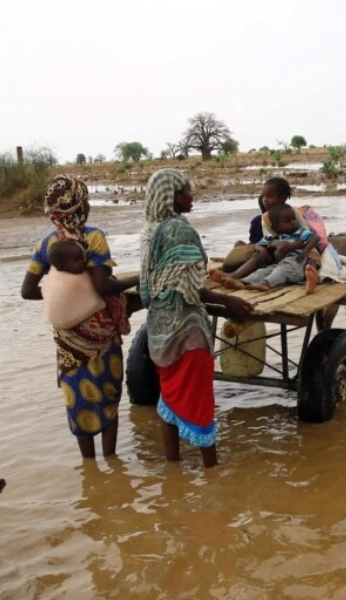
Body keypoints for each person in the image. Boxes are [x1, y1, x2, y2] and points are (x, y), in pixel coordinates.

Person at [139, 169, 253, 468]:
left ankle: (173, 470)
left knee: (169, 399)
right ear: (173, 196)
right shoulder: (179, 230)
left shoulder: (150, 229)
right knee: (200, 402)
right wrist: (228, 300)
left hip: (158, 331)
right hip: (186, 330)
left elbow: (146, 289)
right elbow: (191, 290)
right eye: (188, 190)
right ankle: (212, 472)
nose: (192, 195)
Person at [20, 175, 137, 459]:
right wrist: (137, 279)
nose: (89, 206)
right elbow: (103, 286)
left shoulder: (45, 244)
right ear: (79, 207)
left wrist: (62, 296)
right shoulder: (93, 238)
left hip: (67, 341)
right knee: (108, 397)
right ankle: (111, 460)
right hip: (102, 336)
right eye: (86, 201)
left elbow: (27, 291)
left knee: (78, 400)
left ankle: (89, 465)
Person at [219, 203, 321, 293]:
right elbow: (258, 245)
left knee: (281, 270)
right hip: (280, 264)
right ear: (277, 227)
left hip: (296, 263)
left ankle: (265, 284)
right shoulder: (273, 236)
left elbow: (315, 237)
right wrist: (262, 250)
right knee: (264, 271)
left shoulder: (299, 232)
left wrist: (305, 251)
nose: (293, 222)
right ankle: (242, 282)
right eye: (287, 221)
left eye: (293, 219)